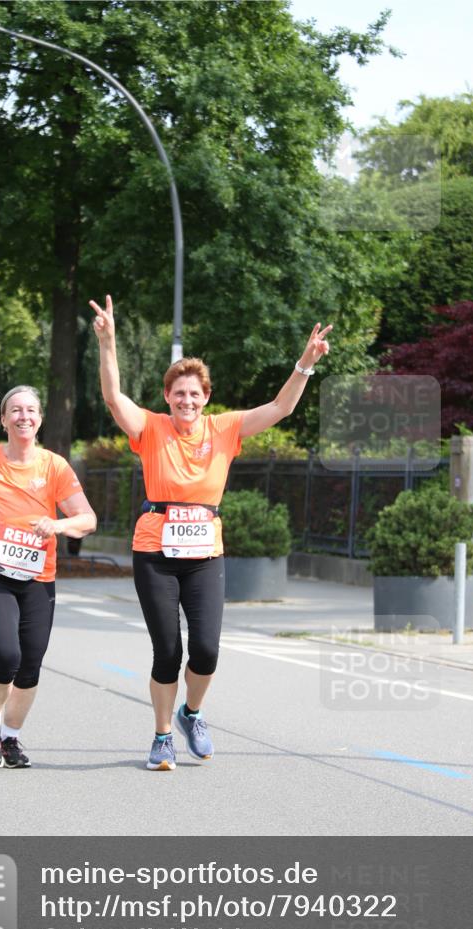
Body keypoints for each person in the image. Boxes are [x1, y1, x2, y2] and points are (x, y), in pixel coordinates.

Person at [90, 295, 331, 771]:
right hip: (155, 551)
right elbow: (114, 398)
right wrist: (108, 343)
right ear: (167, 398)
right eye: (178, 393)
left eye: (194, 393)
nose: (186, 400)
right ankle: (161, 737)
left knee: (205, 649)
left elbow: (281, 407)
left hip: (204, 552)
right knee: (167, 650)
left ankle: (191, 713)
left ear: (207, 397)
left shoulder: (225, 429)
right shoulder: (151, 428)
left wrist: (305, 363)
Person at [0, 386, 97, 770]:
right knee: (6, 656)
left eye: (31, 410)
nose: (24, 416)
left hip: (39, 576)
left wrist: (57, 524)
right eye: (15, 410)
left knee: (30, 664)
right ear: (4, 419)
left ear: (40, 419)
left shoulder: (54, 466)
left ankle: (11, 737)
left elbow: (87, 519)